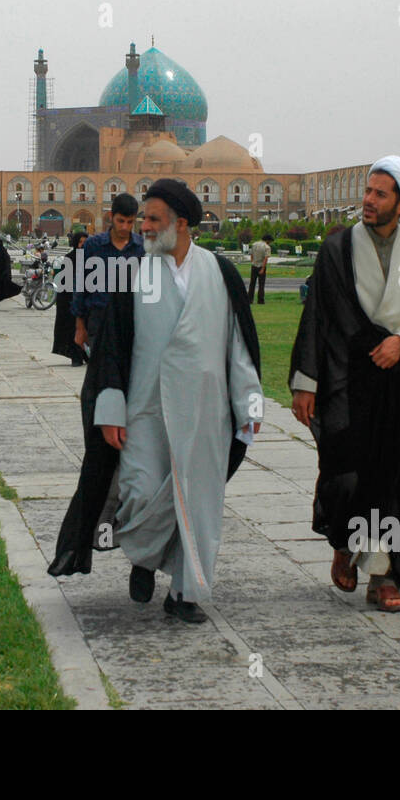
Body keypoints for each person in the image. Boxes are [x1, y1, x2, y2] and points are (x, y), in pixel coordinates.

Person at [84, 180, 261, 624]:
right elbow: (111, 349)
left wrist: (249, 406)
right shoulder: (137, 277)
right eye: (142, 218)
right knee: (141, 494)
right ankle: (143, 559)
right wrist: (109, 410)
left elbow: (237, 348)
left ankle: (184, 593)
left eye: (152, 219)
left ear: (181, 224)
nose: (142, 226)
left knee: (198, 507)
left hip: (205, 414)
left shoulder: (219, 273)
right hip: (145, 413)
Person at [288, 156, 400, 612]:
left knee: (397, 480)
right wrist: (307, 382)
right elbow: (317, 319)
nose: (368, 200)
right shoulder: (338, 249)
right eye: (368, 190)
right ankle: (346, 542)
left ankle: (383, 575)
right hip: (348, 382)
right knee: (347, 475)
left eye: (380, 194)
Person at [48, 194, 145, 579]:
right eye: (120, 221)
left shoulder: (142, 249)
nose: (125, 227)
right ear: (111, 218)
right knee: (100, 397)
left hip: (131, 329)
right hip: (101, 322)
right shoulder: (96, 247)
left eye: (130, 222)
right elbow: (78, 291)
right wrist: (80, 325)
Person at [52, 231, 89, 367]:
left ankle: (86, 354)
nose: (82, 246)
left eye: (85, 243)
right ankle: (76, 356)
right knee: (72, 329)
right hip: (71, 301)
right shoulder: (69, 259)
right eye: (80, 243)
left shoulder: (91, 259)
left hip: (86, 301)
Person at [248, 233, 272, 305]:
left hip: (254, 266)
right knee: (261, 284)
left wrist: (253, 263)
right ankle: (260, 300)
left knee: (252, 283)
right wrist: (262, 269)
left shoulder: (254, 244)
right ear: (268, 240)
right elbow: (265, 259)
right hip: (261, 266)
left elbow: (251, 255)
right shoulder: (267, 247)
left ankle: (250, 299)